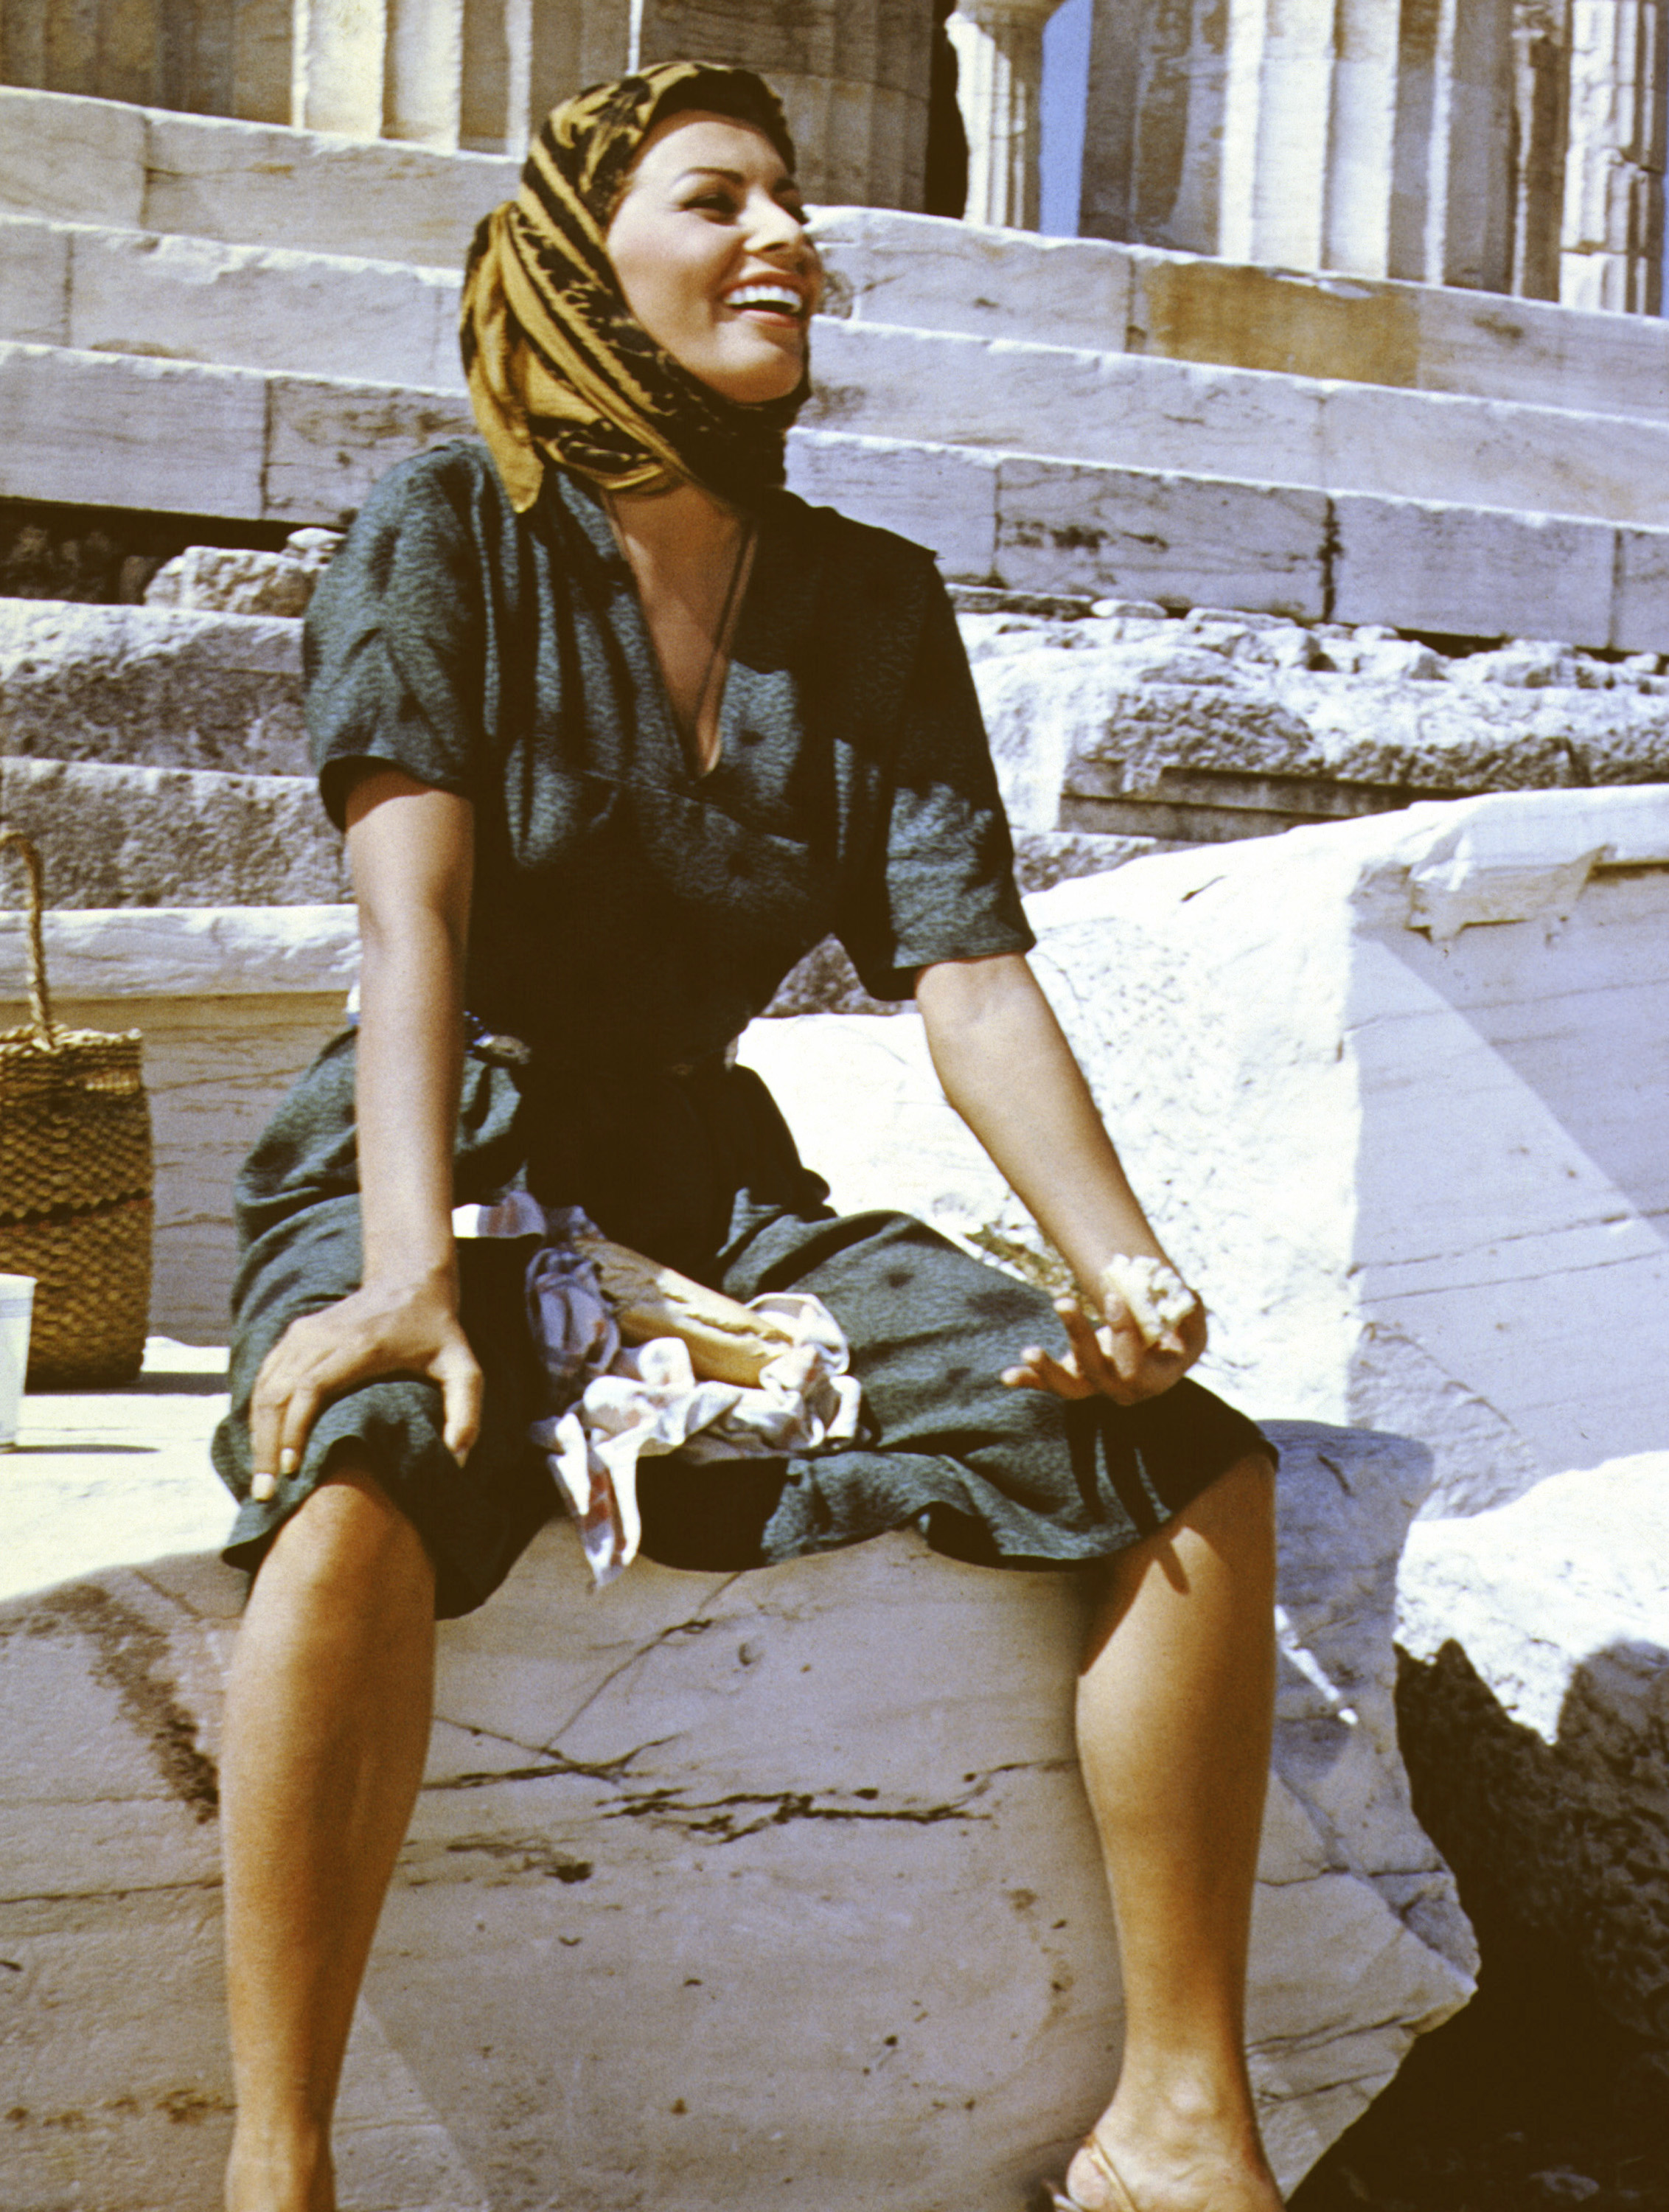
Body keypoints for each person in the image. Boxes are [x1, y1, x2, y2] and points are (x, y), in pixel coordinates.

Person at [209, 59, 1284, 2212]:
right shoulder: (445, 532)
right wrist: (412, 1274)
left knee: (1192, 1472)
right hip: (443, 1133)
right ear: (581, 266)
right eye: (719, 199)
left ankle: (1183, 2118)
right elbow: (408, 926)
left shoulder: (870, 607)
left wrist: (1123, 1266)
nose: (786, 234)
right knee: (363, 1488)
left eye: (796, 203)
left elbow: (967, 979)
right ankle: (282, 2163)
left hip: (706, 1189)